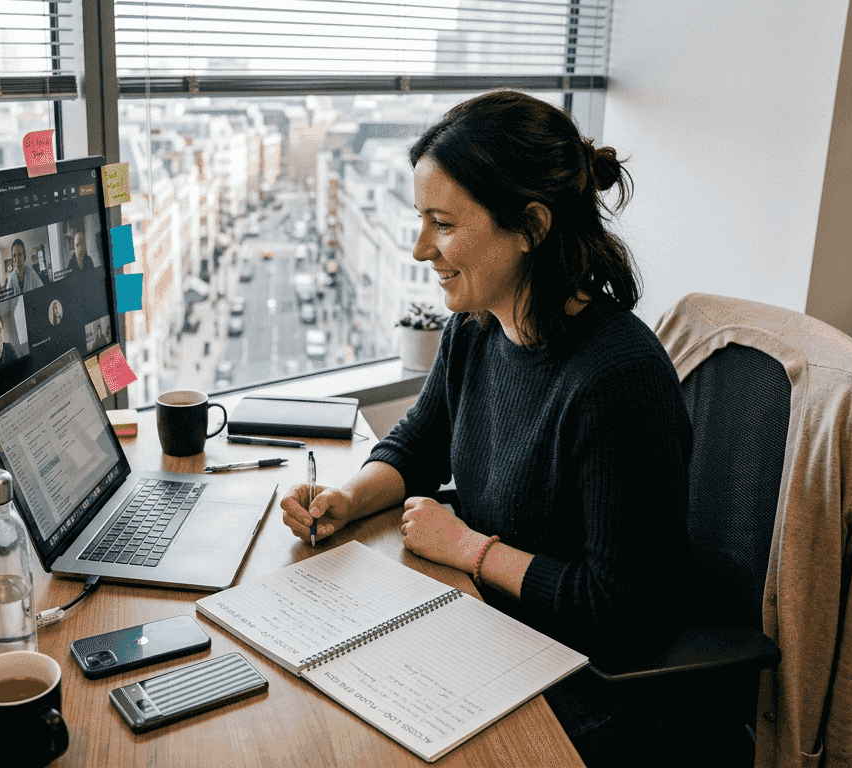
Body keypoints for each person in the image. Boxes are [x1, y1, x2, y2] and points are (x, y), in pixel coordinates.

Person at [278, 91, 693, 765]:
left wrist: (469, 549)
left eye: (442, 224)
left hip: (578, 684)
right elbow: (419, 443)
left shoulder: (617, 380)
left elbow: (622, 613)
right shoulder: (476, 330)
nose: (419, 249)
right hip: (489, 634)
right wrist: (348, 499)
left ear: (530, 225)